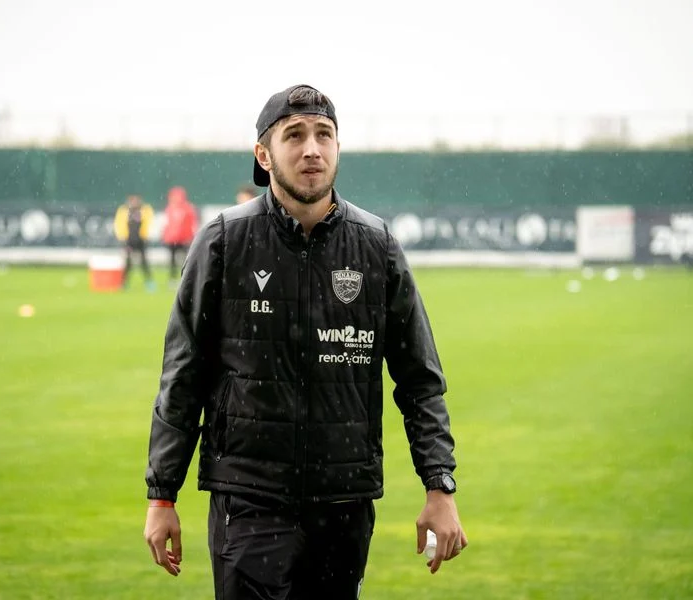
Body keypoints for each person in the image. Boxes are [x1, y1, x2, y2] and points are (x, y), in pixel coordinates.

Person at [143, 84, 467, 599]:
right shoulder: (224, 242)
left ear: (338, 147)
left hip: (343, 504)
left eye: (324, 135)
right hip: (248, 502)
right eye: (294, 135)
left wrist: (439, 485)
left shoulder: (376, 246)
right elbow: (183, 375)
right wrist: (162, 495)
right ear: (263, 154)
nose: (312, 148)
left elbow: (420, 380)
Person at [114, 194, 155, 291]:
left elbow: (149, 223)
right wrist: (122, 237)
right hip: (129, 241)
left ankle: (149, 283)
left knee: (144, 262)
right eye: (132, 201)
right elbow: (119, 224)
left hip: (141, 241)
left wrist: (146, 236)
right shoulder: (124, 211)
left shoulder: (144, 211)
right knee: (128, 263)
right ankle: (124, 283)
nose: (134, 203)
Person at [161, 186, 198, 286]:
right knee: (175, 260)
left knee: (186, 260)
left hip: (182, 239)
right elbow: (167, 224)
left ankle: (186, 279)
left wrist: (189, 237)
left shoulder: (186, 208)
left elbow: (191, 223)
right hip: (174, 239)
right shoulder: (171, 208)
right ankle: (175, 279)